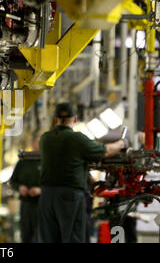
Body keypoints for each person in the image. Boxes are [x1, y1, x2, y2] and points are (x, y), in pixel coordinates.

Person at [38, 103, 126, 243]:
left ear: (55, 119)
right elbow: (106, 151)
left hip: (47, 196)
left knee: (48, 239)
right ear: (74, 118)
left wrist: (90, 179)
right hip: (69, 196)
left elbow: (69, 162)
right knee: (72, 237)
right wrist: (121, 144)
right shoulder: (77, 138)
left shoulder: (45, 139)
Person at [10, 145, 41, 243]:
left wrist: (41, 190)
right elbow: (12, 181)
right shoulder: (24, 161)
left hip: (43, 204)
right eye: (37, 142)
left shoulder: (50, 161)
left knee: (41, 234)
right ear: (33, 144)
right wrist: (19, 187)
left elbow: (55, 183)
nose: (39, 146)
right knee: (26, 234)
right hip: (26, 203)